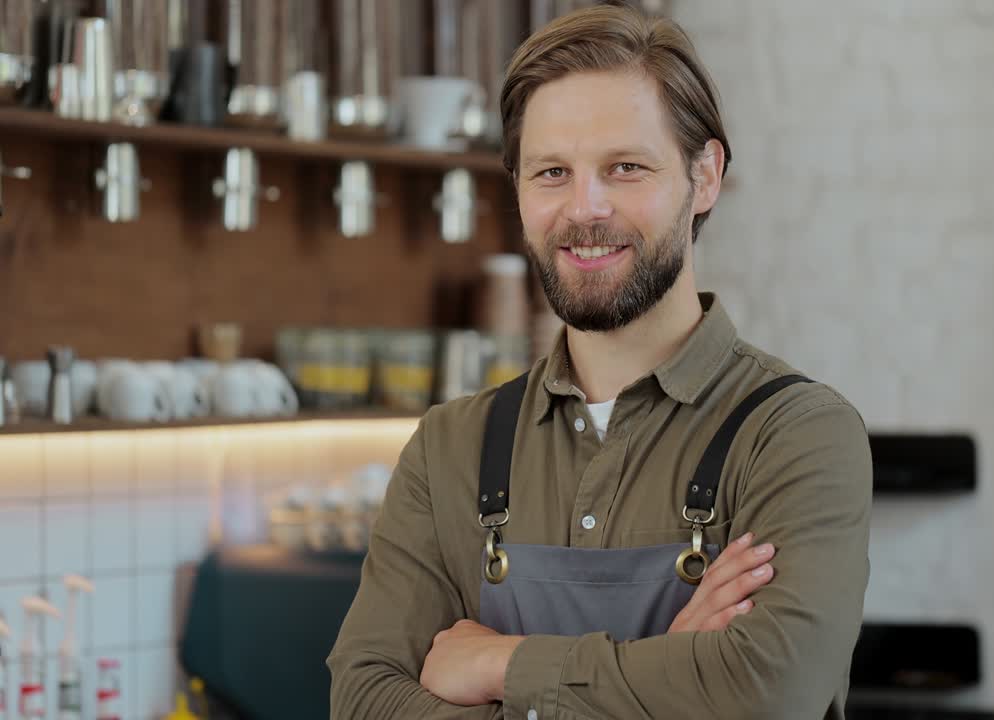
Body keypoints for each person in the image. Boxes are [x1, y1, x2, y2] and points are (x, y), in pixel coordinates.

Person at [327, 4, 872, 718]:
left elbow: (766, 691)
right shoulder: (449, 449)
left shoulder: (797, 436)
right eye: (551, 171)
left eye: (624, 167)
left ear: (704, 176)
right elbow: (364, 700)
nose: (584, 209)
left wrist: (501, 663)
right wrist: (667, 674)